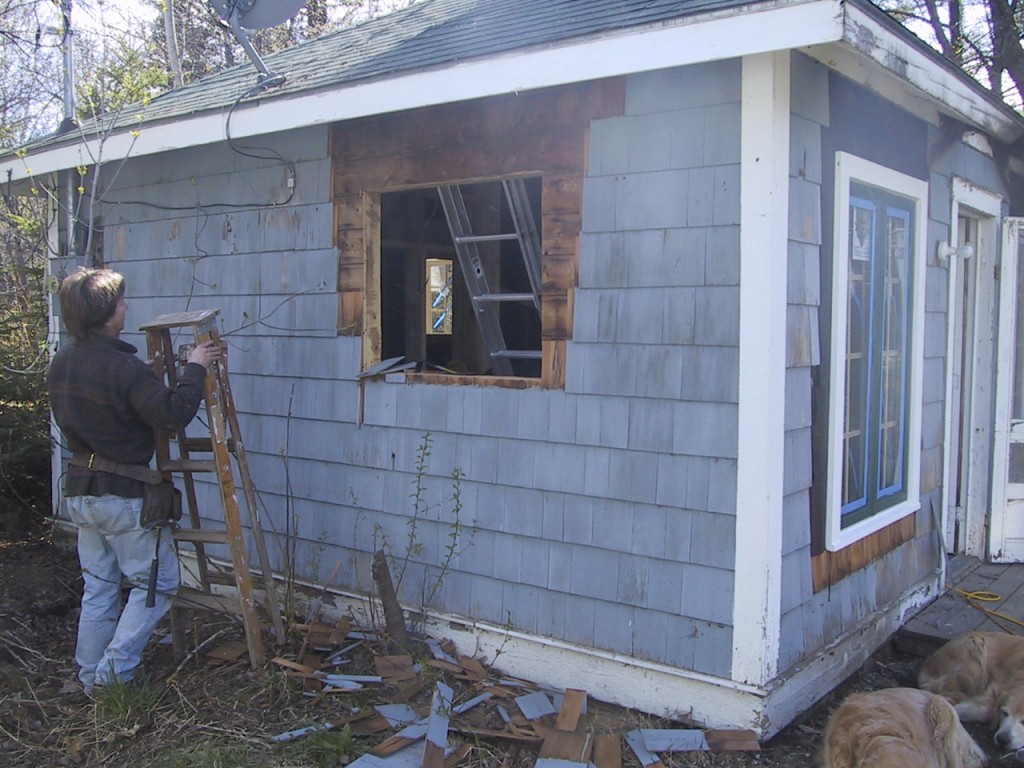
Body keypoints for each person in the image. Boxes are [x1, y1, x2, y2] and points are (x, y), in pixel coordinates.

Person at [47, 267, 222, 693]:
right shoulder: (123, 367)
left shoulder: (64, 361)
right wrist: (195, 369)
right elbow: (172, 413)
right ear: (107, 312)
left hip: (81, 492)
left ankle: (90, 677)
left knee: (101, 587)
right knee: (157, 584)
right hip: (123, 495)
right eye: (120, 301)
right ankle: (112, 678)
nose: (126, 306)